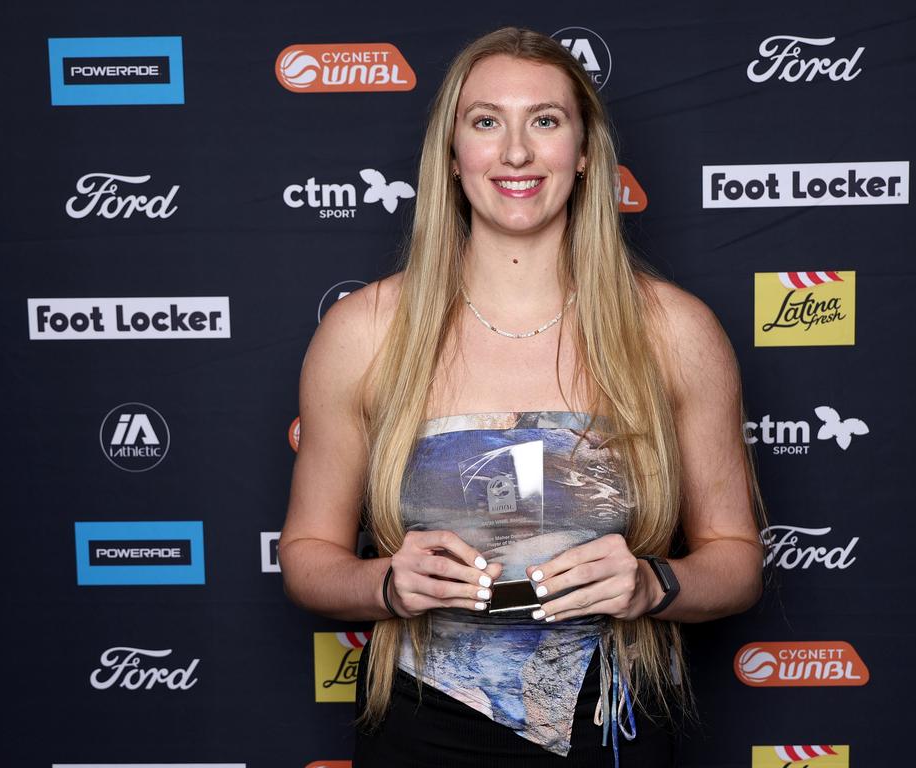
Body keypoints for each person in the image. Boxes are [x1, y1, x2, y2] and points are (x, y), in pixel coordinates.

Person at [279, 26, 767, 768]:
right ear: (452, 155)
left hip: (618, 721)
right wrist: (385, 580)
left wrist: (652, 583)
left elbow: (735, 562)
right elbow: (308, 556)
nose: (515, 153)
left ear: (583, 153)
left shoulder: (675, 330)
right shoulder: (365, 332)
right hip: (423, 725)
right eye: (486, 122)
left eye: (544, 121)